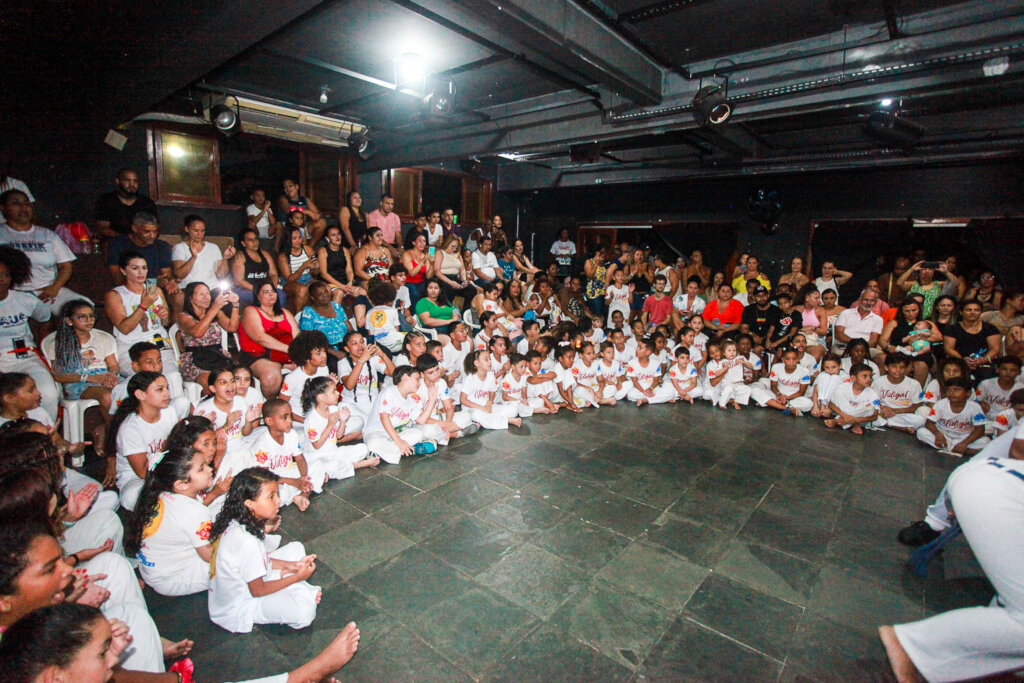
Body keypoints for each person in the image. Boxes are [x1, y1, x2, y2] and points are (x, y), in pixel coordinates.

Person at [880, 432, 1024, 682]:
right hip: (995, 490)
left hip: (988, 482)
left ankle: (994, 666)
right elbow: (1014, 448)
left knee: (1014, 601)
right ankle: (912, 645)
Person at [208, 467, 321, 632]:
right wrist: (297, 577)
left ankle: (291, 583)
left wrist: (293, 566)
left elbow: (258, 559)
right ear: (249, 504)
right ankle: (298, 588)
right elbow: (258, 591)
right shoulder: (246, 541)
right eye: (271, 497)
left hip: (244, 581)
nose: (278, 501)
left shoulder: (237, 519)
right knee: (305, 612)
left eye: (277, 494)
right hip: (240, 606)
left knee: (296, 548)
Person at [126, 446, 216, 596]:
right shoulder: (193, 512)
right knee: (238, 563)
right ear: (181, 484)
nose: (210, 469)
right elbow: (209, 555)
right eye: (201, 469)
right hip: (173, 579)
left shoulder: (162, 493)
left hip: (154, 570)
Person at [105, 250, 183, 393]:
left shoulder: (155, 290)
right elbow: (125, 328)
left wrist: (163, 315)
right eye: (135, 268)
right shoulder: (115, 295)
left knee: (172, 376)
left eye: (144, 268)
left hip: (157, 343)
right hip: (131, 346)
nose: (141, 272)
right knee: (147, 380)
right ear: (123, 270)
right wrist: (143, 305)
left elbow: (165, 323)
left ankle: (177, 410)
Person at [41, 300, 117, 446]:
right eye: (82, 317)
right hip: (79, 381)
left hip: (102, 376)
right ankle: (113, 440)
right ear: (69, 320)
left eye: (91, 316)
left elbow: (113, 365)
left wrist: (111, 375)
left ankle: (108, 430)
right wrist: (92, 378)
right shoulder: (58, 343)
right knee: (107, 396)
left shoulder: (103, 338)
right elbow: (58, 375)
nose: (89, 321)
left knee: (133, 389)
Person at [0, 189, 87, 316]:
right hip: (12, 293)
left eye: (27, 203)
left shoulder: (47, 235)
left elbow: (66, 266)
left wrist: (54, 289)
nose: (23, 207)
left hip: (48, 291)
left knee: (83, 308)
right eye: (15, 203)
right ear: (3, 208)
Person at [0, 246, 59, 420]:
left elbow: (46, 317)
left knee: (47, 394)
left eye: (5, 274)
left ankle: (45, 438)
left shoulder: (24, 299)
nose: (1, 279)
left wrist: (41, 344)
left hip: (23, 356)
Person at [108, 371, 177, 512]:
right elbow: (142, 472)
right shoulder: (130, 428)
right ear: (141, 395)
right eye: (160, 389)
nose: (167, 393)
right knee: (137, 497)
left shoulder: (169, 412)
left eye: (167, 388)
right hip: (136, 480)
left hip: (166, 470)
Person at [301, 375, 376, 475]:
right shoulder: (311, 419)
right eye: (333, 391)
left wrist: (343, 421)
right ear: (322, 397)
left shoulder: (333, 409)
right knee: (331, 466)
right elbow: (317, 445)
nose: (338, 393)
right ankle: (357, 465)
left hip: (333, 452)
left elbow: (339, 436)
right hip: (317, 458)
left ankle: (341, 467)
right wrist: (330, 425)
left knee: (363, 448)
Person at [363, 365, 439, 463]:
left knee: (417, 433)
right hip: (377, 433)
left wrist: (432, 400)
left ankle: (383, 453)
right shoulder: (389, 392)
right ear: (405, 378)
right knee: (373, 443)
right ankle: (412, 450)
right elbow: (384, 418)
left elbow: (421, 420)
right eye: (417, 379)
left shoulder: (410, 399)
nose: (419, 383)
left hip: (395, 436)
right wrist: (399, 442)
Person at [238, 282, 298, 397]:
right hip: (258, 355)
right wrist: (291, 350)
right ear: (258, 296)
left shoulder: (285, 313)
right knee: (271, 377)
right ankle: (271, 406)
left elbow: (297, 336)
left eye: (273, 291)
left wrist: (297, 355)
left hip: (285, 354)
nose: (271, 294)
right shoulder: (250, 311)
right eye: (266, 292)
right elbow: (260, 338)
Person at [177, 282, 238, 387]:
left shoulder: (216, 312)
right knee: (211, 382)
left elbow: (232, 328)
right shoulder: (183, 316)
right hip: (195, 358)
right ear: (191, 298)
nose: (206, 298)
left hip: (217, 355)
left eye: (208, 294)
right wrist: (214, 308)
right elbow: (197, 333)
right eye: (201, 294)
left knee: (237, 376)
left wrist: (235, 305)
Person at [915, 376, 989, 455]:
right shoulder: (940, 404)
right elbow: (929, 423)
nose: (952, 393)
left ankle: (951, 448)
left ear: (968, 393)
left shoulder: (975, 407)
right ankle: (964, 450)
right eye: (948, 390)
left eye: (956, 390)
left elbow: (980, 430)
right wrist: (937, 434)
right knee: (921, 432)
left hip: (964, 436)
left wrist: (965, 443)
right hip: (944, 435)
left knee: (986, 441)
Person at [105, 213, 175, 295]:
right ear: (134, 228)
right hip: (127, 291)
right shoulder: (117, 244)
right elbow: (118, 280)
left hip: (156, 291)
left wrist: (170, 282)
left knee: (177, 295)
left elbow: (167, 274)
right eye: (147, 231)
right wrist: (151, 283)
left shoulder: (162, 246)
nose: (152, 236)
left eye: (155, 231)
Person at [878, 297, 941, 385]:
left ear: (919, 309)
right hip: (899, 350)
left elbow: (938, 337)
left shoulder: (925, 323)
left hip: (919, 351)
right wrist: (889, 347)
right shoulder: (894, 323)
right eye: (907, 311)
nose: (911, 313)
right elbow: (882, 340)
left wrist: (919, 337)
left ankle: (916, 392)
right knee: (895, 360)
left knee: (921, 364)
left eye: (914, 310)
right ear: (901, 311)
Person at [299, 281, 356, 370]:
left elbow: (349, 329)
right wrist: (333, 352)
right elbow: (308, 339)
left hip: (344, 345)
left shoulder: (337, 307)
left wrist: (352, 345)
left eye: (326, 291)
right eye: (320, 294)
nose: (325, 295)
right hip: (325, 350)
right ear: (313, 298)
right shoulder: (308, 312)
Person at [338, 331, 394, 421]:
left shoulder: (373, 359)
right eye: (354, 344)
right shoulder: (343, 363)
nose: (360, 346)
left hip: (372, 403)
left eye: (361, 342)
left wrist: (382, 355)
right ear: (347, 349)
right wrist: (361, 360)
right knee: (359, 422)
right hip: (352, 405)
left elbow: (394, 373)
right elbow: (349, 385)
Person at [460, 350, 524, 428]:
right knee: (477, 415)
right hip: (472, 408)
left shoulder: (490, 375)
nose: (490, 361)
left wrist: (489, 403)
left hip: (486, 405)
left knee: (513, 409)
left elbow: (492, 392)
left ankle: (492, 419)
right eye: (486, 359)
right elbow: (463, 400)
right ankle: (508, 420)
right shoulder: (469, 378)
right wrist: (482, 408)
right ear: (477, 363)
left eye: (490, 359)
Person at [943, 299, 1002, 381]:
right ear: (961, 312)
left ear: (981, 312)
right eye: (969, 310)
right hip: (958, 362)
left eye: (976, 310)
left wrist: (982, 361)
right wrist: (962, 360)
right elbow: (948, 348)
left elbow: (995, 348)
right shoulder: (952, 329)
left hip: (984, 364)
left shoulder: (990, 328)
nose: (973, 312)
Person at [171, 214, 233, 291]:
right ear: (187, 229)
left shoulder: (213, 247)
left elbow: (221, 275)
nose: (199, 234)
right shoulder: (179, 248)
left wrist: (225, 259)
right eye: (196, 231)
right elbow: (179, 275)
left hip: (212, 288)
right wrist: (193, 257)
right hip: (189, 289)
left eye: (202, 231)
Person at [93, 168, 159, 237]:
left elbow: (156, 228)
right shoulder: (106, 200)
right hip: (114, 243)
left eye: (135, 181)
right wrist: (127, 239)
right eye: (127, 180)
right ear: (118, 181)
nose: (132, 184)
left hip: (141, 243)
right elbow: (103, 228)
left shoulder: (146, 203)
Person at [870, 353, 926, 432]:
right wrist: (883, 409)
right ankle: (900, 428)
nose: (898, 370)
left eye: (902, 367)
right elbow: (873, 401)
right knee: (869, 413)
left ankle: (888, 424)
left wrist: (895, 411)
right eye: (894, 367)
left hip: (903, 413)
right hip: (884, 413)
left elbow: (916, 407)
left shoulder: (914, 384)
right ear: (886, 367)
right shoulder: (878, 382)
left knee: (921, 420)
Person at [231, 227, 284, 307]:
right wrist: (258, 290)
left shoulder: (265, 254)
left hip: (265, 287)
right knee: (264, 298)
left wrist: (271, 288)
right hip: (246, 289)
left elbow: (274, 274)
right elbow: (239, 281)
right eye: (250, 240)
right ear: (243, 243)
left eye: (255, 239)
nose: (254, 242)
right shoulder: (240, 257)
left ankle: (278, 318)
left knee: (281, 295)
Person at [316, 225, 366, 308]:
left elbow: (349, 270)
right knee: (339, 293)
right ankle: (333, 319)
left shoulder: (345, 250)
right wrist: (341, 286)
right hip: (329, 283)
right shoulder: (323, 250)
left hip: (345, 283)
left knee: (362, 292)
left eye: (338, 234)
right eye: (333, 235)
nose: (337, 237)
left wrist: (350, 282)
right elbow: (323, 273)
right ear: (327, 238)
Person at [825, 363, 880, 434]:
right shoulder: (842, 388)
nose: (869, 379)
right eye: (864, 376)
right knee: (839, 393)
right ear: (853, 378)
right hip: (843, 415)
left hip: (860, 420)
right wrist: (846, 417)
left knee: (870, 406)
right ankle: (854, 425)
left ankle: (837, 421)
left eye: (870, 377)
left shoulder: (872, 394)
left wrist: (853, 420)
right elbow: (830, 405)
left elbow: (874, 416)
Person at [276, 223, 319, 313]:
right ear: (288, 240)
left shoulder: (307, 249)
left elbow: (316, 273)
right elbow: (289, 279)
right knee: (302, 289)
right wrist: (303, 266)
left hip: (307, 278)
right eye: (294, 238)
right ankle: (298, 317)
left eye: (300, 237)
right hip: (289, 282)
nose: (298, 241)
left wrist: (316, 267)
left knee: (324, 288)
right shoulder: (283, 256)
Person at [833, 289, 883, 354]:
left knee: (881, 357)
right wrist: (855, 344)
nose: (868, 303)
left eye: (872, 300)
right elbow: (839, 334)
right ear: (859, 300)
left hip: (866, 348)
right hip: (844, 346)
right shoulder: (846, 313)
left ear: (876, 302)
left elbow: (873, 341)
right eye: (866, 300)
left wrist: (860, 347)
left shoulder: (878, 319)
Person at [282, 178, 326, 245]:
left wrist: (317, 215)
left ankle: (310, 248)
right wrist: (307, 212)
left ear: (296, 187)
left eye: (290, 186)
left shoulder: (304, 199)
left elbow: (317, 213)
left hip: (304, 226)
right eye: (285, 187)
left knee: (322, 222)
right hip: (289, 227)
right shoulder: (283, 199)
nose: (288, 189)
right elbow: (289, 211)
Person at [739, 285, 776, 353]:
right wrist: (752, 335)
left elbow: (776, 330)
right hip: (751, 339)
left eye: (764, 295)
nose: (762, 298)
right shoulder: (748, 309)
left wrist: (765, 340)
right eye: (758, 296)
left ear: (768, 295)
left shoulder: (775, 310)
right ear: (754, 297)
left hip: (770, 340)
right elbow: (744, 328)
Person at [401, 232, 433, 304]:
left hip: (421, 282)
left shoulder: (425, 256)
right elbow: (412, 273)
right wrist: (422, 261)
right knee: (416, 294)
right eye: (419, 240)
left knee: (430, 292)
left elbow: (428, 276)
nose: (422, 243)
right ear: (414, 243)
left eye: (424, 241)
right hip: (408, 282)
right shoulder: (407, 254)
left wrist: (432, 263)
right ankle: (414, 313)